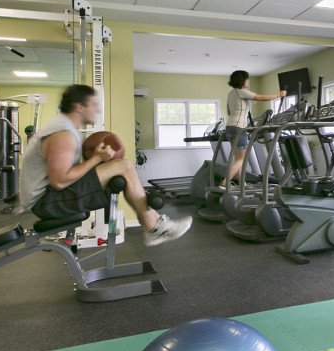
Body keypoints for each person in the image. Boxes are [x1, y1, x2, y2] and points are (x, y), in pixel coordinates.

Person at [18, 84, 191, 247]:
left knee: (124, 166)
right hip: (48, 203)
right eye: (93, 105)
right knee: (125, 166)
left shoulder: (62, 127)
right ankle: (153, 226)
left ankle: (154, 222)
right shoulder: (63, 134)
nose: (98, 109)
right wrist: (95, 159)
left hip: (48, 198)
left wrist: (95, 159)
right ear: (79, 107)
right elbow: (60, 181)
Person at [224, 70, 286, 185]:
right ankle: (224, 183)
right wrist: (279, 95)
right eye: (247, 79)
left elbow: (229, 111)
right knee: (240, 159)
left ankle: (241, 184)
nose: (248, 81)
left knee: (238, 159)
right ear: (242, 80)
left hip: (229, 127)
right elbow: (261, 97)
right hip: (239, 128)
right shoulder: (242, 91)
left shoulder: (231, 93)